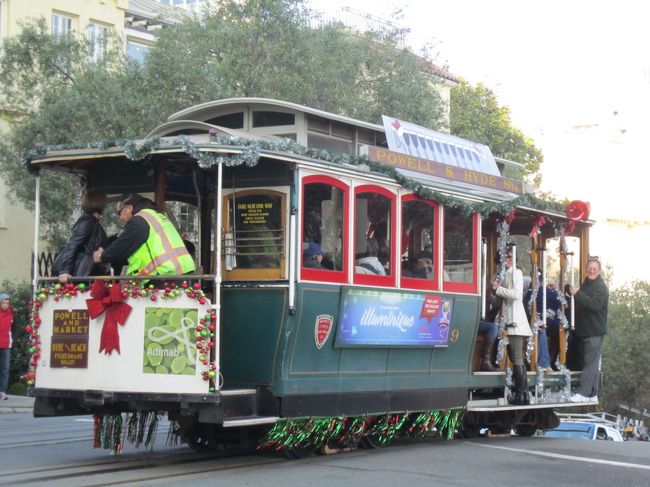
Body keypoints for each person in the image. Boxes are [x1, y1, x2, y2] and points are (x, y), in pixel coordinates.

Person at [93, 193, 195, 277]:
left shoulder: (139, 220)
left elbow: (122, 245)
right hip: (180, 270)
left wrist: (102, 256)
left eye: (119, 212)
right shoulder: (155, 215)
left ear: (129, 208)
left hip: (164, 273)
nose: (120, 217)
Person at [493, 250, 532, 405]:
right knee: (514, 357)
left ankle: (522, 394)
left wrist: (498, 289)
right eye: (505, 258)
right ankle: (520, 392)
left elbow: (516, 294)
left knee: (516, 358)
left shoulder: (515, 272)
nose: (507, 260)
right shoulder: (506, 274)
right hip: (509, 320)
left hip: (515, 321)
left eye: (510, 257)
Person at [569, 257, 608, 402]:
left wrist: (577, 294)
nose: (591, 271)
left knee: (590, 363)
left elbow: (594, 305)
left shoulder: (601, 287)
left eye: (594, 269)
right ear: (586, 269)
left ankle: (583, 393)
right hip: (584, 331)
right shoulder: (587, 283)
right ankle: (592, 393)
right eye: (589, 268)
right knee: (589, 362)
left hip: (594, 331)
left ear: (599, 271)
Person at [53, 189, 109, 283]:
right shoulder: (87, 223)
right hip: (84, 274)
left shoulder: (92, 222)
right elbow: (72, 245)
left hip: (89, 273)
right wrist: (65, 271)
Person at [0, 293, 13, 401]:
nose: (5, 305)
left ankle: (2, 392)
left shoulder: (12, 314)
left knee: (5, 370)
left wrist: (14, 338)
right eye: (3, 303)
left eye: (7, 303)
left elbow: (15, 328)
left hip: (6, 345)